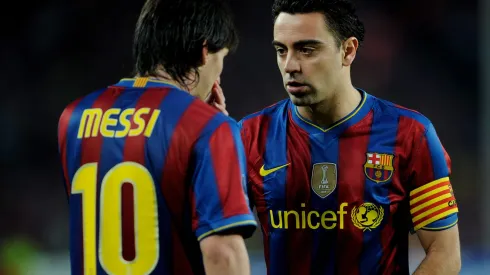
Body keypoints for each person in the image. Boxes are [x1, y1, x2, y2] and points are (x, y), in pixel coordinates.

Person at [238, 0, 461, 274]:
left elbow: (445, 255)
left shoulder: (411, 134)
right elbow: (213, 238)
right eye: (281, 50)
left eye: (307, 50)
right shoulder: (248, 136)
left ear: (348, 50)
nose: (290, 65)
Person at [57, 0, 256, 274]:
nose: (218, 77)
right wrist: (217, 132)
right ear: (203, 51)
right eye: (220, 59)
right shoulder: (209, 128)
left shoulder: (73, 118)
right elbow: (222, 255)